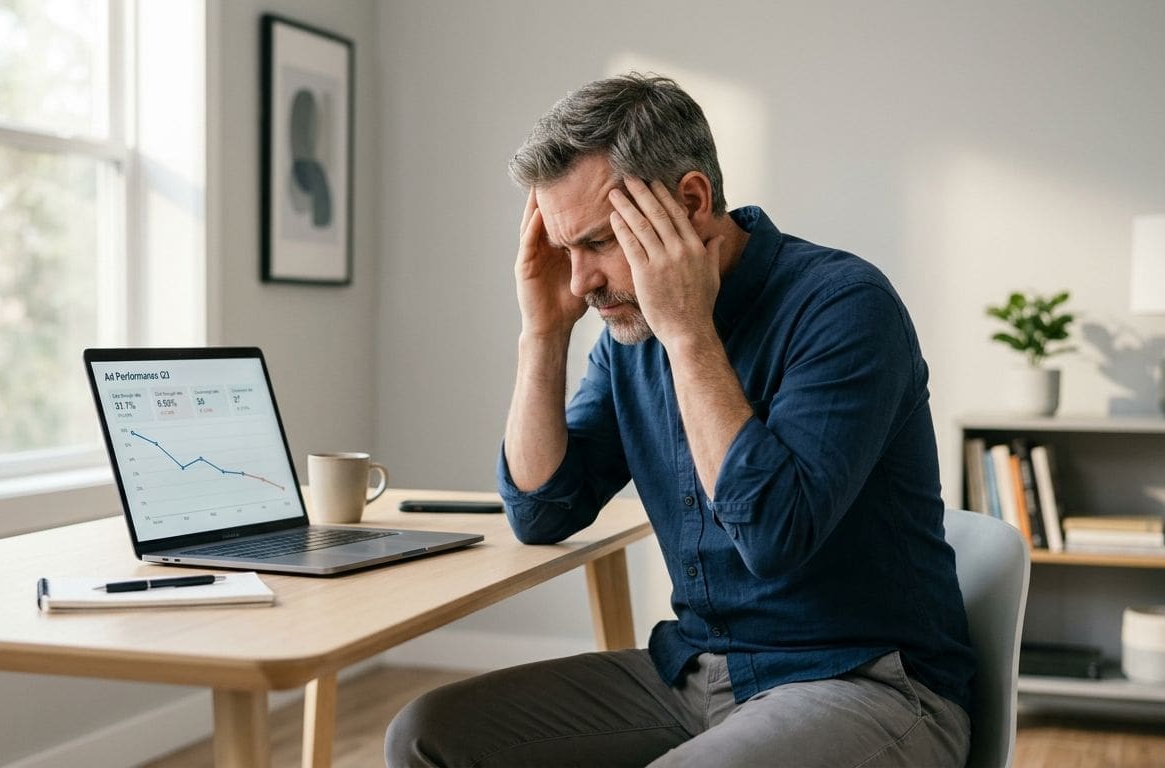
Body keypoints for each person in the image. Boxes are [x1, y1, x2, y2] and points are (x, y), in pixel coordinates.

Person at [385, 73, 975, 767]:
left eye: (599, 243)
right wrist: (542, 335)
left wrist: (691, 335)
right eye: (565, 249)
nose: (581, 282)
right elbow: (544, 510)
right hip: (699, 673)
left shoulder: (845, 307)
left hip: (865, 683)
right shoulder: (626, 334)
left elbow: (772, 534)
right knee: (428, 735)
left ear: (692, 203)